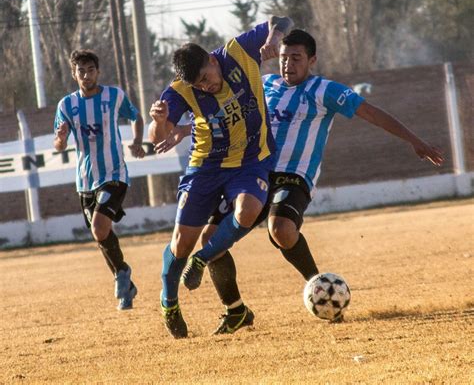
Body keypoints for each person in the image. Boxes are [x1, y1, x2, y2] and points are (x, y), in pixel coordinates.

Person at [155, 29, 444, 334]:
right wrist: (183, 131)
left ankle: (322, 289)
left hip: (294, 176)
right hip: (254, 172)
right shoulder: (263, 84)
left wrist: (415, 140)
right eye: (283, 57)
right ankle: (235, 310)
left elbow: (370, 112)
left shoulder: (325, 90)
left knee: (280, 229)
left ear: (312, 60)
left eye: (296, 58)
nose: (288, 64)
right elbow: (227, 117)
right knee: (210, 236)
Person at [148, 17, 294, 338]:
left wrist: (273, 36)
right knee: (181, 243)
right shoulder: (179, 90)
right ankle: (169, 301)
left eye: (206, 77)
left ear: (213, 60)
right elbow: (158, 132)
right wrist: (158, 122)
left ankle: (202, 261)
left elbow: (281, 19)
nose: (206, 86)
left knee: (249, 210)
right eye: (198, 85)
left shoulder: (238, 51)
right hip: (207, 166)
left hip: (252, 161)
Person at [54, 49, 145, 310]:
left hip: (114, 174)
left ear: (98, 71)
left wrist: (137, 142)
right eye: (81, 71)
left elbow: (135, 116)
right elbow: (59, 144)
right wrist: (60, 137)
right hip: (85, 181)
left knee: (99, 227)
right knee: (101, 234)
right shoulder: (66, 105)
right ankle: (125, 281)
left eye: (90, 70)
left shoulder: (113, 95)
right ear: (74, 74)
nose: (86, 75)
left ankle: (121, 275)